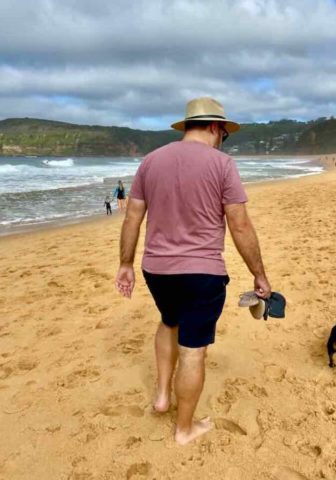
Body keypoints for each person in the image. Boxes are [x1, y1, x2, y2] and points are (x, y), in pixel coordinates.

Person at [115, 97, 271, 445]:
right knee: (193, 350)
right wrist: (259, 274)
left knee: (168, 321)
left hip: (156, 269)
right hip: (202, 272)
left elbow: (132, 217)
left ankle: (161, 396)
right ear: (216, 128)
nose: (222, 141)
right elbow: (240, 225)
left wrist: (125, 264)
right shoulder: (222, 164)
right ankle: (184, 428)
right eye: (224, 135)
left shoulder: (151, 161)